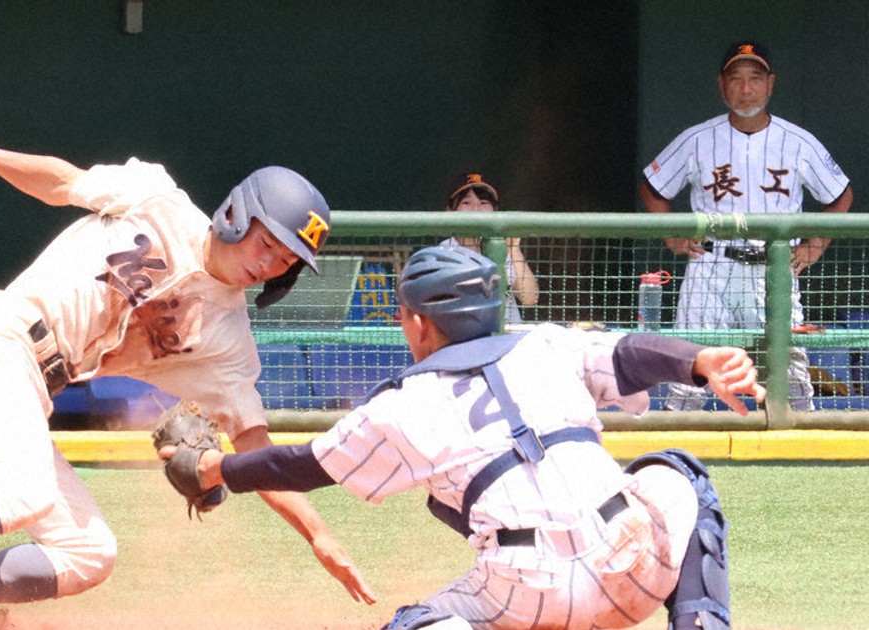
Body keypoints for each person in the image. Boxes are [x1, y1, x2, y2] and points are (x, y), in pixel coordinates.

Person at [0, 134, 374, 629]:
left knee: (89, 553)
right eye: (267, 242)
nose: (271, 263)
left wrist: (318, 534)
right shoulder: (158, 199)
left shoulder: (228, 341)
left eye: (287, 259)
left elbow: (253, 446)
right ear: (236, 214)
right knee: (27, 492)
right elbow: (62, 183)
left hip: (30, 390)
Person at [162, 244, 764, 629]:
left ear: (419, 323)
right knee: (676, 473)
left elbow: (301, 465)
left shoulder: (404, 402)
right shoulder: (546, 345)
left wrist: (214, 469)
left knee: (414, 623)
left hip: (526, 597)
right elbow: (633, 355)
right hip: (633, 560)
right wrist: (701, 360)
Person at [639, 40, 853, 412]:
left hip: (773, 267)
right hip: (712, 263)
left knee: (790, 374)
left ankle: (797, 456)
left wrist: (814, 245)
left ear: (771, 84)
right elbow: (652, 186)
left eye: (755, 78)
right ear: (722, 85)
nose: (746, 87)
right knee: (691, 367)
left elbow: (841, 195)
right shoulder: (697, 139)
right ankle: (677, 452)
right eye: (736, 78)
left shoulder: (798, 142)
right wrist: (672, 233)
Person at [441, 172, 538, 324]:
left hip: (508, 338)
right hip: (466, 337)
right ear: (450, 210)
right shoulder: (445, 250)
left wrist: (513, 249)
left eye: (484, 203)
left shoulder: (499, 246)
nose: (476, 209)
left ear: (495, 210)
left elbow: (529, 298)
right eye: (466, 203)